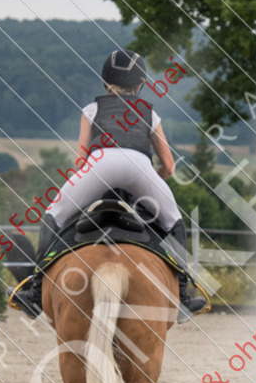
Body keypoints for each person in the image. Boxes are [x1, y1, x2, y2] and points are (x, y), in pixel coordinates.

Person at [11, 49, 208, 322]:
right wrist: (149, 185)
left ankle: (35, 293)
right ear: (140, 85)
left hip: (99, 165)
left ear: (105, 82)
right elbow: (169, 166)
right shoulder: (150, 113)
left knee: (53, 215)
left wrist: (86, 186)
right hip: (140, 167)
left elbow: (80, 161)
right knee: (173, 221)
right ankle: (183, 298)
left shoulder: (92, 110)